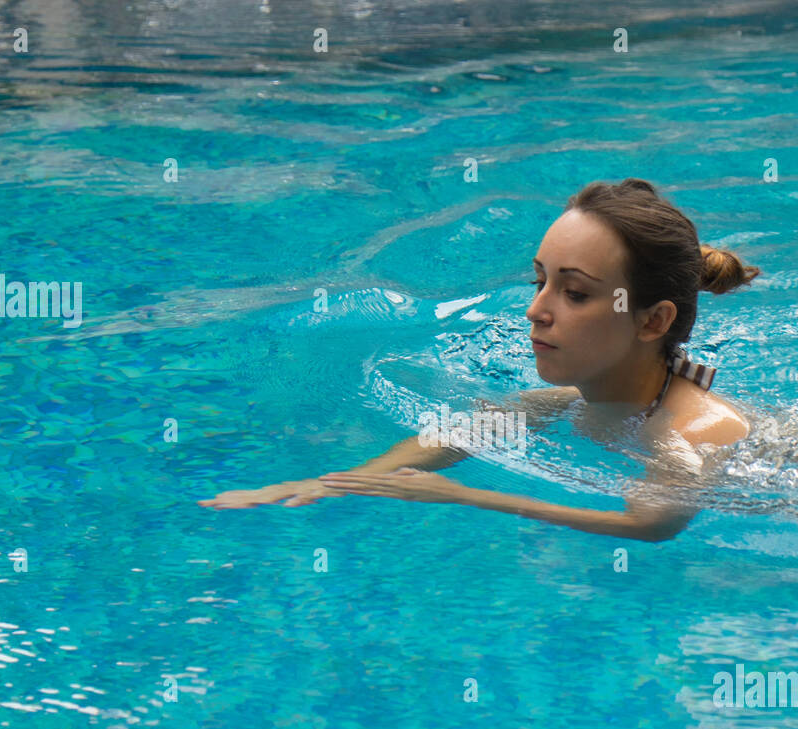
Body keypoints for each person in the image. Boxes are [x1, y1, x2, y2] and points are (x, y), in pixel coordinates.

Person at [198, 178, 759, 541]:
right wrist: (331, 483)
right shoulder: (571, 400)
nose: (535, 311)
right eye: (539, 281)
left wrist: (467, 496)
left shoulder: (690, 433)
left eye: (576, 293)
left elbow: (652, 522)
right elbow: (458, 436)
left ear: (652, 321)